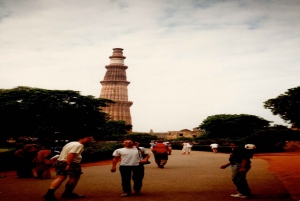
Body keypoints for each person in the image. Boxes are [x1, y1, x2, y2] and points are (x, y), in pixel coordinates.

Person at [43, 134, 94, 201]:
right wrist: (69, 164)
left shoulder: (71, 143)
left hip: (60, 161)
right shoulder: (79, 145)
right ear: (82, 138)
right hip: (71, 163)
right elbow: (71, 154)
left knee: (60, 178)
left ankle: (49, 193)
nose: (91, 139)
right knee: (74, 177)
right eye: (89, 138)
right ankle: (67, 193)